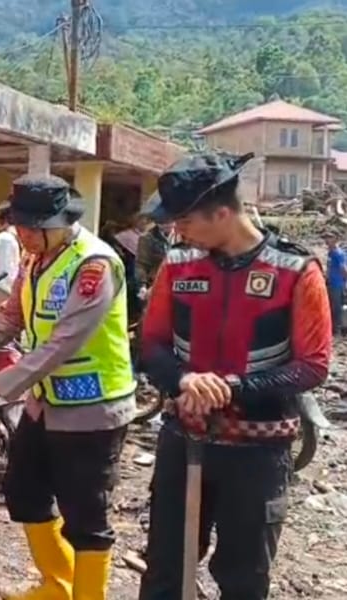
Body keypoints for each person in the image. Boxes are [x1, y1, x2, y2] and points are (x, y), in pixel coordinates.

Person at [137, 152, 332, 600]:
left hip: (258, 453)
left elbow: (313, 364)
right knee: (166, 571)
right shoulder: (179, 265)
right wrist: (184, 381)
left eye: (183, 221)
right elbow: (151, 345)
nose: (176, 230)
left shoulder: (296, 271)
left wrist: (232, 388)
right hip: (182, 440)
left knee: (244, 578)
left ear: (221, 214)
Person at [0, 175, 136, 600]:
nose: (23, 235)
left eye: (31, 228)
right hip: (45, 402)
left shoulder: (95, 264)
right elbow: (13, 313)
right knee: (24, 492)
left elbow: (62, 343)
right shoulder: (36, 259)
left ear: (59, 223)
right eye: (19, 226)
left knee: (86, 516)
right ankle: (58, 586)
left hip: (94, 408)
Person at [135, 220, 174, 291]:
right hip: (156, 284)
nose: (167, 224)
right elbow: (141, 264)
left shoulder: (184, 235)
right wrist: (142, 285)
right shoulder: (147, 238)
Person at [323, 231, 345, 335]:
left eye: (329, 237)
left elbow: (343, 269)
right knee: (330, 306)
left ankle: (338, 331)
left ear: (336, 239)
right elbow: (330, 268)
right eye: (326, 238)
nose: (326, 240)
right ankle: (332, 329)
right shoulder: (330, 253)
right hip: (331, 283)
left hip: (337, 284)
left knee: (337, 308)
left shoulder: (338, 253)